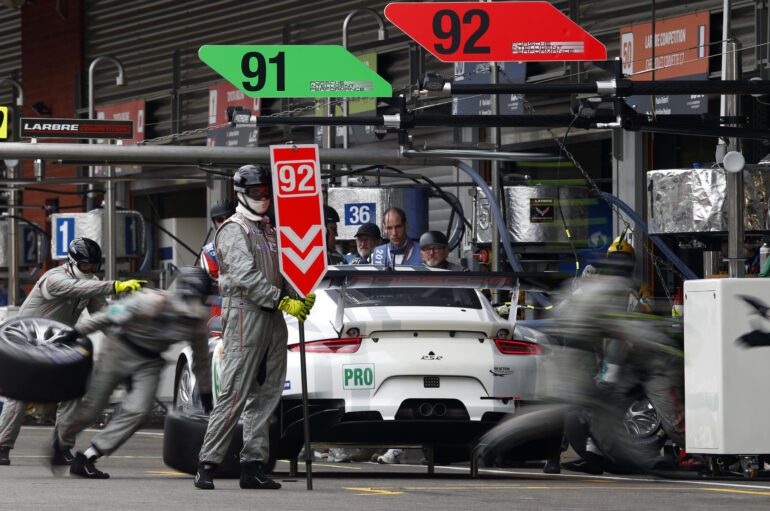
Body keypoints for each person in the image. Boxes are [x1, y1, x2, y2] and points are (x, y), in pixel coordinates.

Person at [194, 164, 315, 490]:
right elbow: (245, 277)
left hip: (274, 317)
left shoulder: (269, 230)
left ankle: (253, 464)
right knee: (235, 391)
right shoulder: (233, 229)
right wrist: (282, 300)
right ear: (241, 194)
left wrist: (299, 295)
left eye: (265, 191)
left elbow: (282, 271)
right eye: (256, 192)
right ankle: (207, 464)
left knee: (268, 393)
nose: (262, 197)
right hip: (246, 315)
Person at [51, 267, 212, 479]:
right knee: (92, 408)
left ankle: (88, 457)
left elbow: (201, 360)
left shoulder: (197, 324)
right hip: (119, 350)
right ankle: (62, 441)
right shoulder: (152, 301)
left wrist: (206, 392)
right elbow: (109, 315)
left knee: (139, 411)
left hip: (149, 362)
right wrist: (76, 332)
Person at [0, 237, 146, 467]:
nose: (89, 270)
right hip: (26, 342)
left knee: (72, 392)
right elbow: (75, 288)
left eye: (93, 265)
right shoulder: (54, 279)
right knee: (20, 394)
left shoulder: (92, 284)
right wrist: (115, 286)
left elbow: (104, 317)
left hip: (57, 345)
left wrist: (130, 344)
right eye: (85, 265)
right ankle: (2, 445)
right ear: (72, 262)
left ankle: (62, 446)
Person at [199, 200, 236, 318]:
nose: (225, 223)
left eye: (229, 218)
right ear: (215, 224)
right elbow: (216, 282)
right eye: (220, 219)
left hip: (250, 313)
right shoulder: (209, 252)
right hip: (221, 315)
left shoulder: (252, 243)